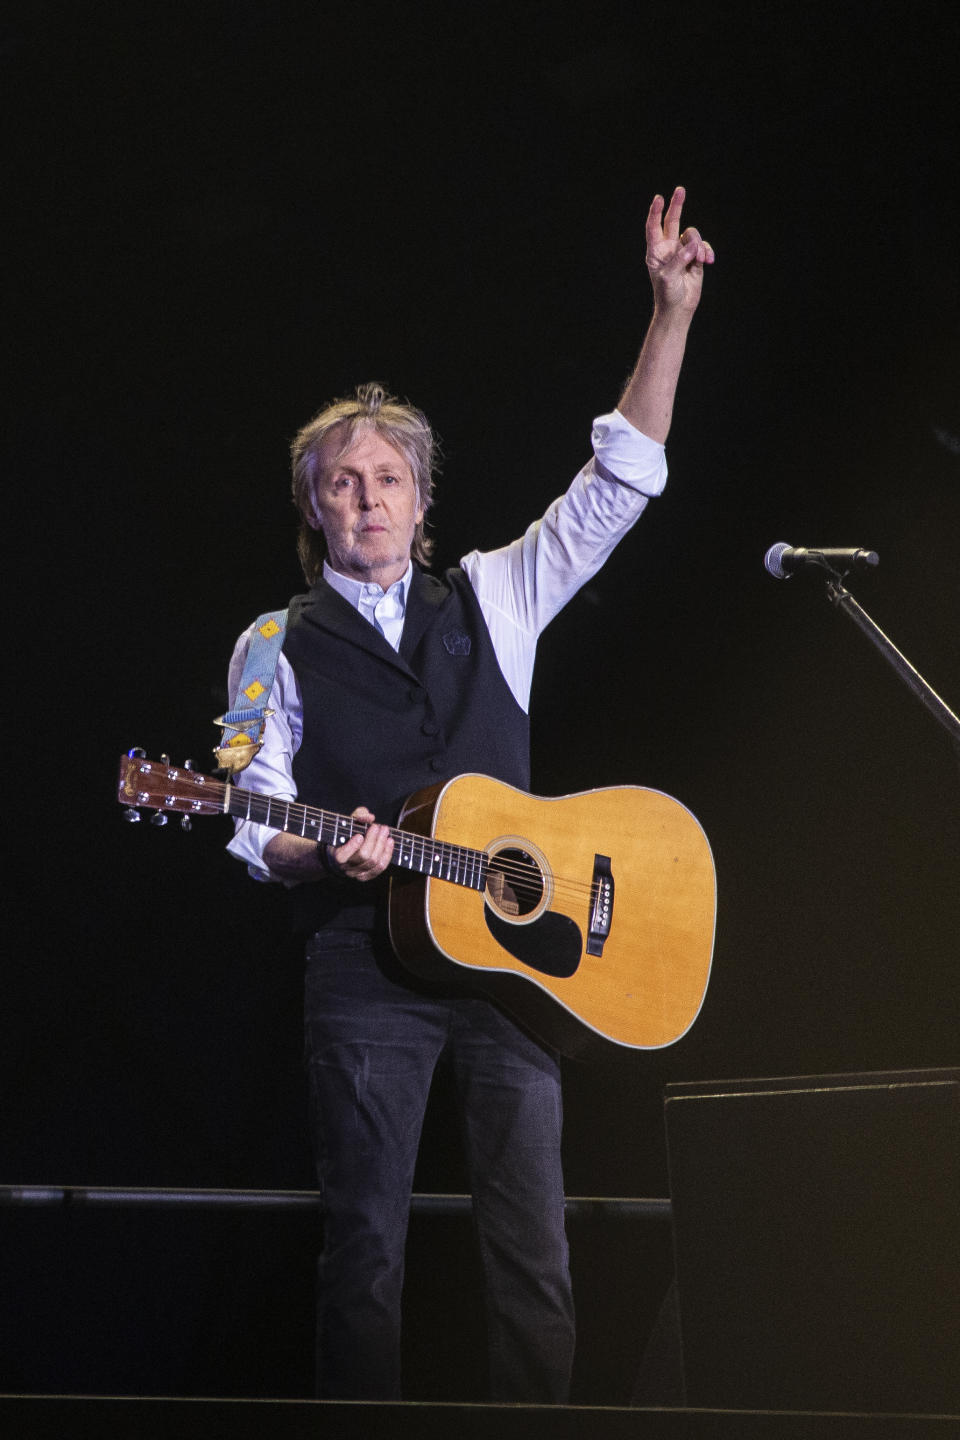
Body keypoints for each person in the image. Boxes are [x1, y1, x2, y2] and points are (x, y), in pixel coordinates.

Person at [226, 186, 714, 1402]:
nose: (368, 498)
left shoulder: (495, 594)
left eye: (388, 477)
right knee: (367, 1257)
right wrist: (309, 854)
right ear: (312, 507)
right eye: (342, 482)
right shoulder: (269, 642)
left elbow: (622, 483)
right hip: (363, 971)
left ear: (422, 499)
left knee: (533, 1258)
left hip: (516, 970)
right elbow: (250, 817)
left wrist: (670, 313)